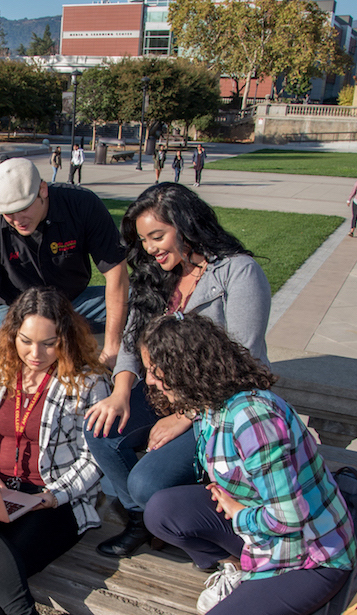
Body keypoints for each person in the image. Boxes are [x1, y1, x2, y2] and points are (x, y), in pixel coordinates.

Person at [84, 183, 270, 559]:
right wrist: (120, 392)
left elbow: (244, 361)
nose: (151, 248)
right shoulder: (157, 275)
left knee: (146, 483)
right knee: (100, 429)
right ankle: (141, 521)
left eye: (157, 236)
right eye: (144, 240)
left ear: (186, 224)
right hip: (165, 394)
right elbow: (130, 342)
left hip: (221, 406)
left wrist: (185, 416)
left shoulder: (238, 272)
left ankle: (199, 522)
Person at [139, 313, 355, 615]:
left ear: (185, 367)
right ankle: (238, 569)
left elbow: (289, 517)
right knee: (162, 510)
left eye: (154, 370)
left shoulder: (253, 420)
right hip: (263, 534)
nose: (149, 380)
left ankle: (261, 586)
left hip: (309, 556)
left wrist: (240, 514)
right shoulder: (212, 404)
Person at [0, 286, 107, 615]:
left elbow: (94, 458)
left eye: (49, 343)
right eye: (26, 341)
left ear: (66, 337)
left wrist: (54, 495)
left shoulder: (89, 382)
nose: (36, 353)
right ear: (12, 334)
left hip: (54, 500)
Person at [0, 157, 129, 366]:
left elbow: (116, 271)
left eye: (24, 207)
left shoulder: (82, 204)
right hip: (17, 312)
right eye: (8, 213)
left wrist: (112, 348)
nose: (17, 219)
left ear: (42, 190)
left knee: (140, 301)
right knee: (4, 324)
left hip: (74, 304)